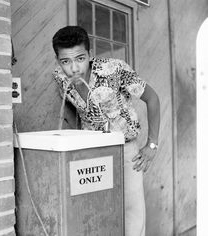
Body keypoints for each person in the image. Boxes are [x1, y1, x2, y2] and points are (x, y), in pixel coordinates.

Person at [52, 25, 160, 236]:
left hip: (126, 150)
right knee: (95, 210)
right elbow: (75, 110)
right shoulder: (60, 77)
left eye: (80, 58)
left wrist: (152, 144)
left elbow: (153, 99)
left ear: (90, 54)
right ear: (58, 61)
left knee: (132, 212)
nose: (74, 68)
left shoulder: (115, 69)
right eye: (66, 61)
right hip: (91, 153)